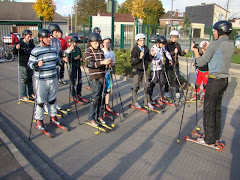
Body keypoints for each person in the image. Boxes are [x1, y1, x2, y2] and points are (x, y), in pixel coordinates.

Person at [191, 20, 234, 145]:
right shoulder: (230, 44)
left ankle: (208, 139)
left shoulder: (215, 45)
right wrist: (210, 48)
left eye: (215, 31)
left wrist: (195, 52)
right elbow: (218, 56)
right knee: (217, 109)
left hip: (214, 80)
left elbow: (201, 62)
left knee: (209, 109)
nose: (214, 33)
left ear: (220, 31)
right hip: (224, 80)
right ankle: (214, 135)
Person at [28, 29, 64, 132]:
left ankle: (53, 117)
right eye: (47, 37)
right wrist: (36, 65)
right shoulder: (36, 50)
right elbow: (29, 64)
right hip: (41, 79)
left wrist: (61, 61)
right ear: (41, 38)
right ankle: (39, 120)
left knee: (52, 100)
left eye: (49, 37)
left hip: (53, 78)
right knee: (40, 101)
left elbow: (56, 60)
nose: (49, 39)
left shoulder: (52, 49)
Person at [85, 33, 112, 126]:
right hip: (94, 77)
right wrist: (102, 62)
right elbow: (90, 64)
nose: (97, 45)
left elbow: (103, 64)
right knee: (95, 98)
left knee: (102, 97)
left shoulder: (100, 51)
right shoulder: (88, 51)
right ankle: (91, 118)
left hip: (102, 76)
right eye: (95, 43)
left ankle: (99, 116)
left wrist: (108, 64)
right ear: (91, 42)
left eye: (98, 43)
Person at [131, 33, 153, 109]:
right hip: (137, 70)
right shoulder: (135, 50)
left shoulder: (146, 48)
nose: (142, 42)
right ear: (137, 41)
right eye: (140, 40)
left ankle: (146, 102)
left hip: (144, 70)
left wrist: (152, 55)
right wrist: (140, 57)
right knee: (136, 86)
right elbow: (133, 62)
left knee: (147, 86)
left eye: (143, 40)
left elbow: (148, 59)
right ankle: (134, 101)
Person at [149, 35, 173, 104]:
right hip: (154, 69)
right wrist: (158, 61)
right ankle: (149, 96)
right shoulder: (153, 48)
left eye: (164, 44)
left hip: (160, 68)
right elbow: (151, 59)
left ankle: (161, 96)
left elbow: (166, 53)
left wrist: (170, 59)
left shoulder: (162, 48)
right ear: (158, 43)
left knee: (162, 81)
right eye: (163, 44)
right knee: (153, 82)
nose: (164, 45)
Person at [165, 30, 188, 99]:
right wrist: (173, 52)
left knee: (176, 77)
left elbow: (180, 53)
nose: (175, 39)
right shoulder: (167, 44)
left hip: (175, 63)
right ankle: (166, 91)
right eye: (174, 37)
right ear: (171, 37)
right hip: (168, 63)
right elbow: (166, 54)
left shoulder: (177, 45)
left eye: (176, 37)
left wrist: (184, 52)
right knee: (168, 78)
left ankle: (177, 91)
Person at [13, 30, 35, 100]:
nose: (29, 38)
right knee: (24, 79)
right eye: (28, 36)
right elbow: (14, 52)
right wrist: (17, 48)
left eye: (30, 36)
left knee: (30, 79)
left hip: (30, 63)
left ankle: (31, 93)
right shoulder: (20, 43)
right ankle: (23, 94)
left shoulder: (31, 44)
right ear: (24, 36)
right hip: (23, 63)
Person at [48, 24, 63, 110]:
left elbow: (60, 52)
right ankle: (47, 104)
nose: (58, 33)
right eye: (56, 31)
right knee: (49, 87)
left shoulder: (57, 41)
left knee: (55, 87)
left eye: (58, 31)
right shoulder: (49, 41)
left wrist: (65, 54)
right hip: (50, 67)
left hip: (56, 67)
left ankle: (54, 103)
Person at [65, 36, 83, 100]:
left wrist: (81, 58)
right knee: (73, 81)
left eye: (78, 42)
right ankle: (72, 94)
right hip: (72, 66)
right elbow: (67, 58)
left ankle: (78, 93)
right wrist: (74, 58)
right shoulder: (69, 49)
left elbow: (80, 55)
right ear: (72, 42)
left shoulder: (78, 49)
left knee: (80, 80)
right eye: (76, 42)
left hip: (78, 65)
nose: (77, 44)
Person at [102, 36, 115, 112]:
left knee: (108, 89)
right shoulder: (102, 51)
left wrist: (112, 63)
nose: (107, 44)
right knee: (103, 90)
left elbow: (114, 62)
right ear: (103, 43)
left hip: (109, 73)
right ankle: (101, 105)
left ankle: (107, 104)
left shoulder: (112, 52)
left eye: (108, 42)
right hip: (103, 73)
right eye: (105, 42)